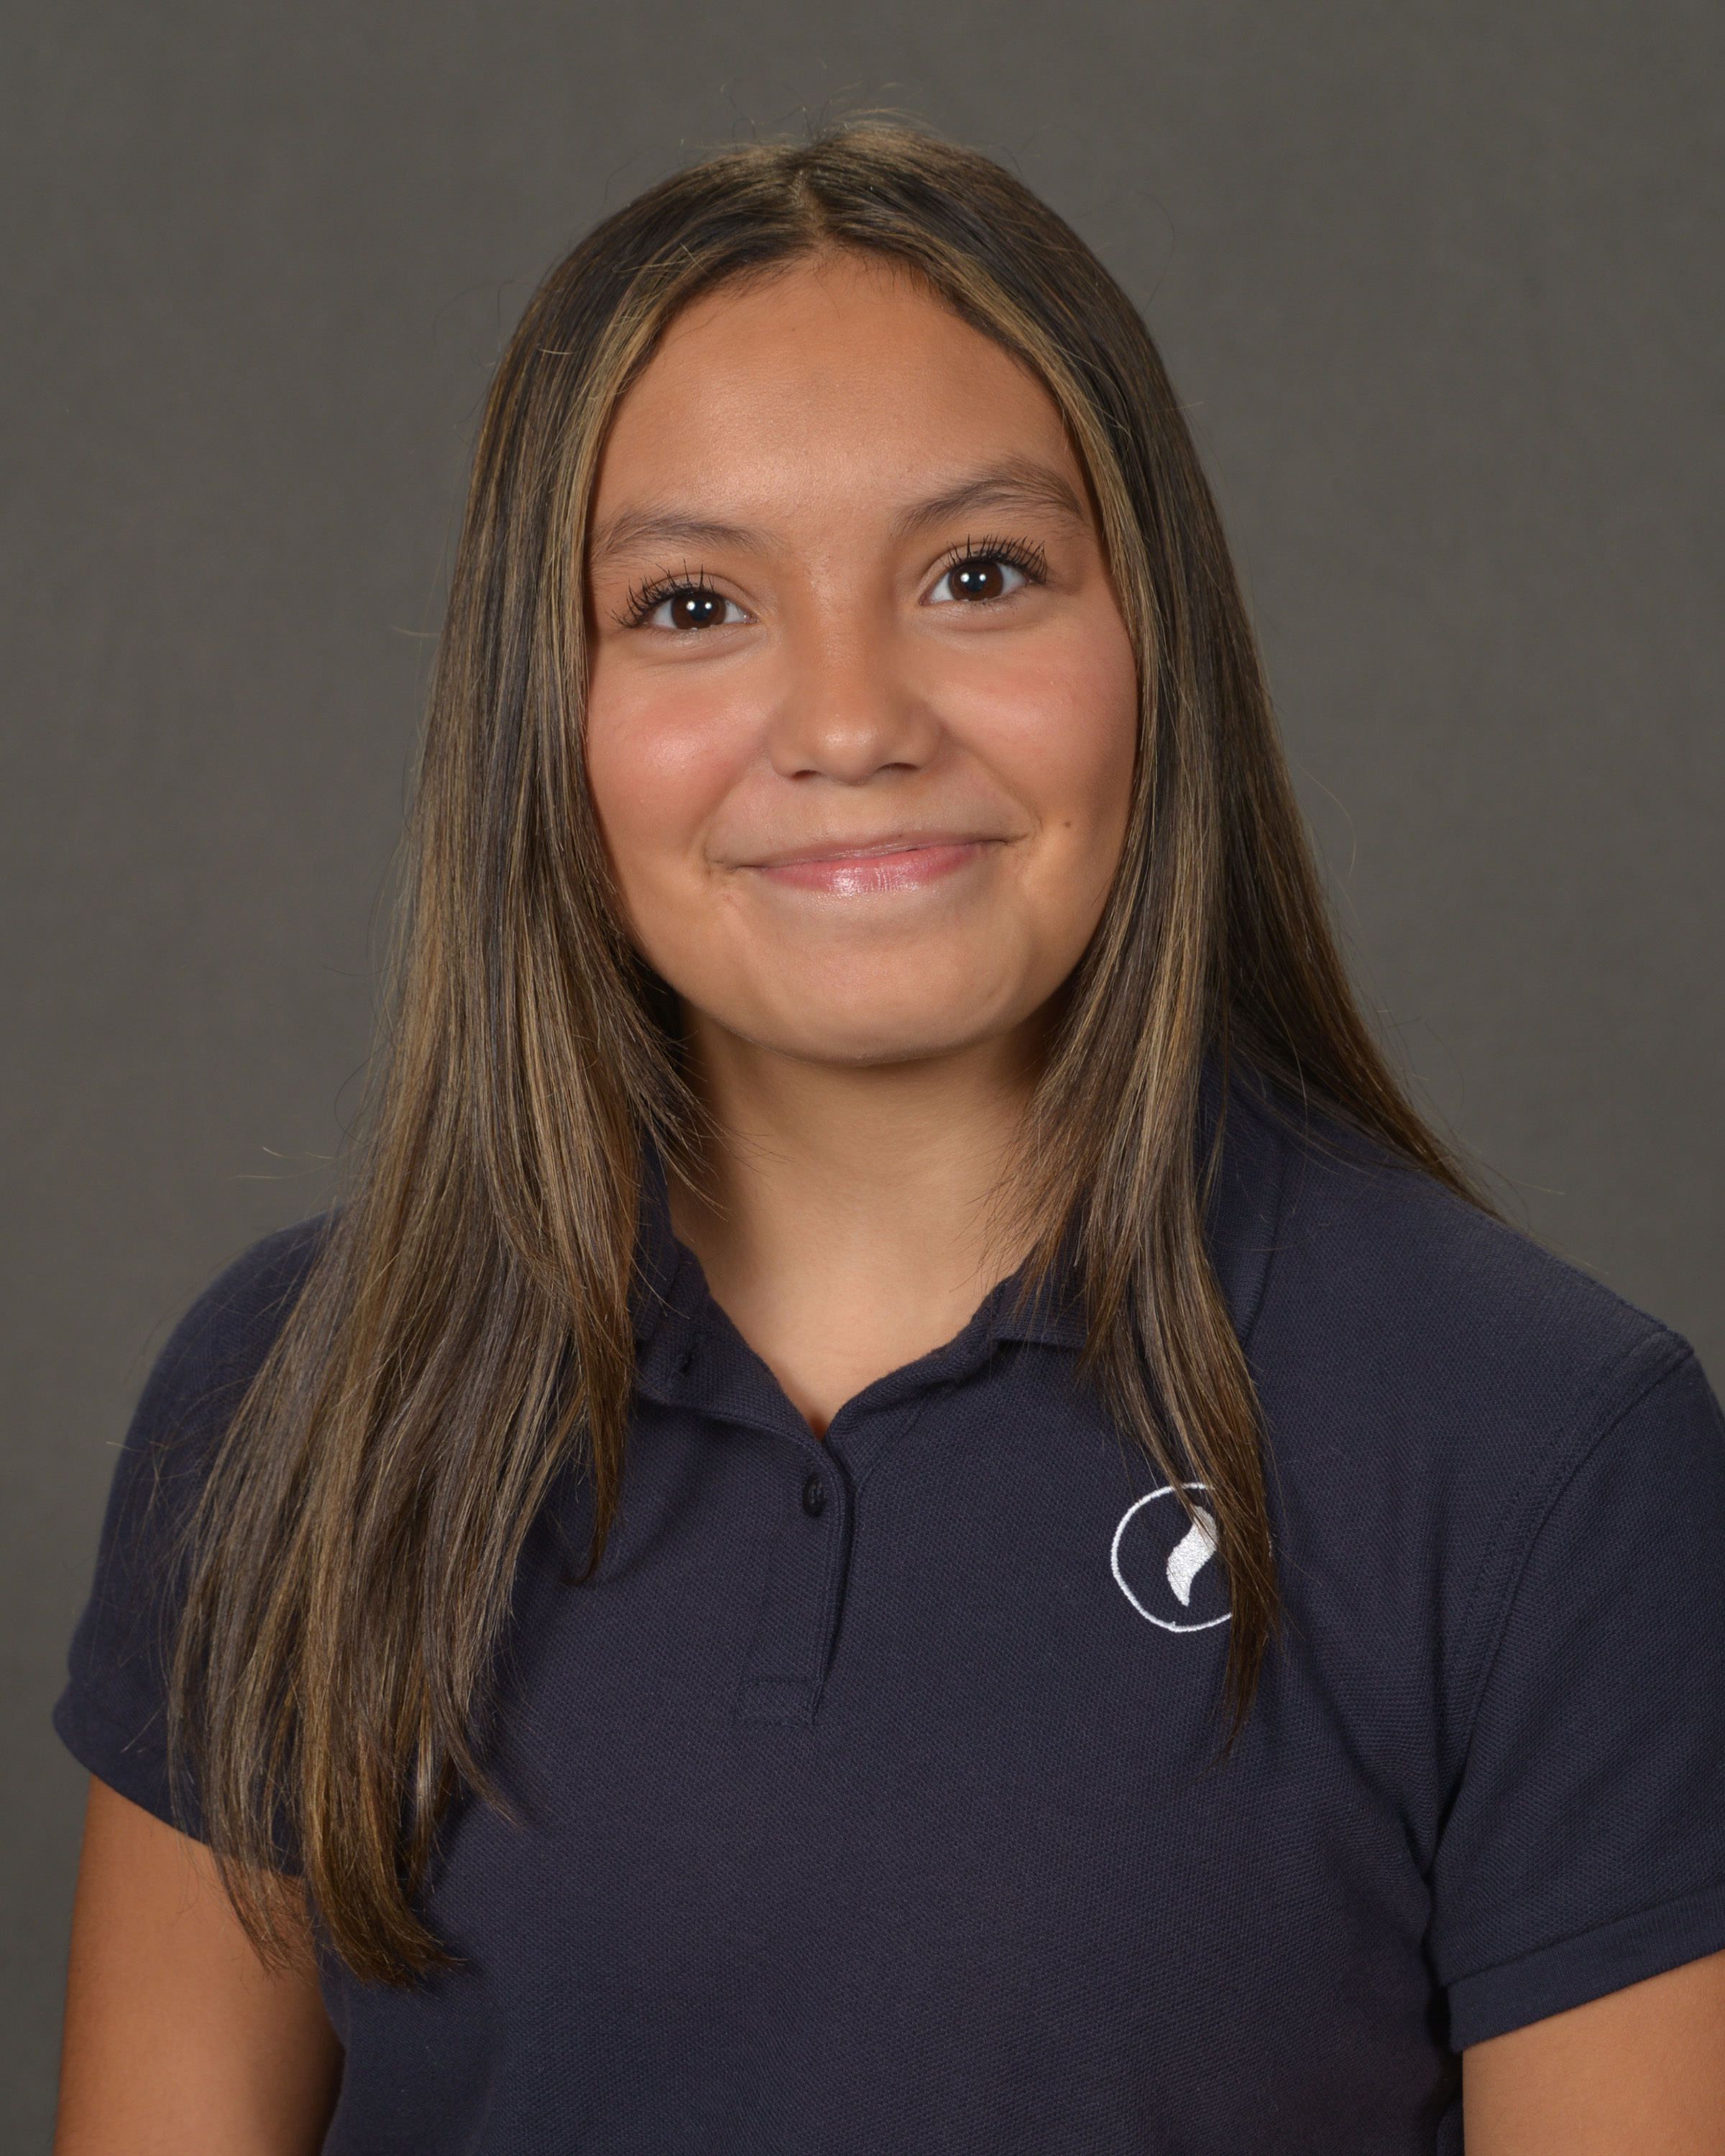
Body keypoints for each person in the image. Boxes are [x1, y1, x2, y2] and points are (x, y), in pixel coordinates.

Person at [52, 125, 1725, 2155]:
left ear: (1157, 645)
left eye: (979, 575)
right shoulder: (291, 1405)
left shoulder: (1542, 1454)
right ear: (542, 716)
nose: (851, 722)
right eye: (691, 603)